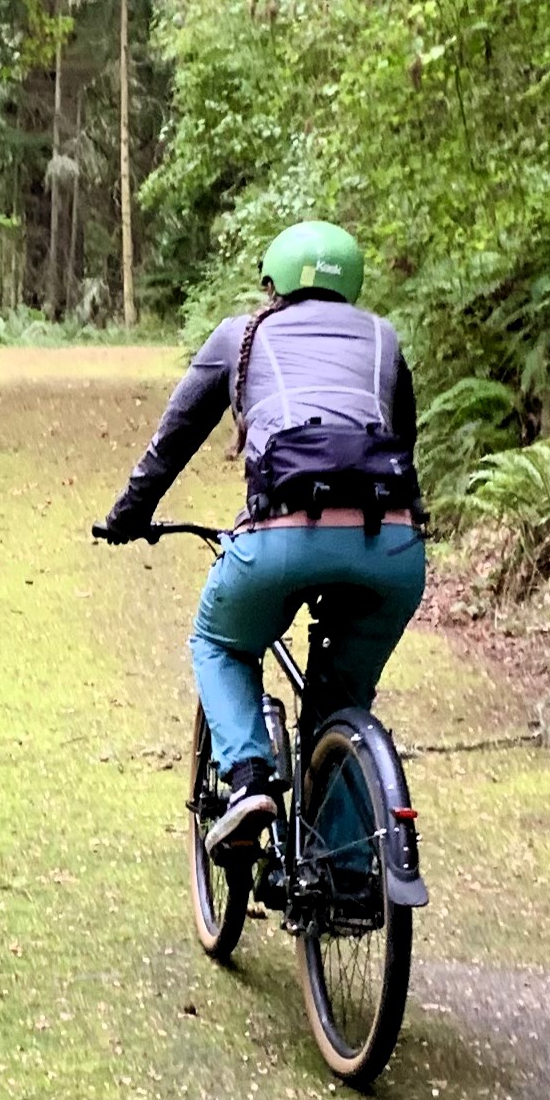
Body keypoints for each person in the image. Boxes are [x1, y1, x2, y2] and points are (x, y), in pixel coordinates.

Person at [93, 221, 426, 852]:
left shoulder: (241, 335)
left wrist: (129, 515)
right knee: (343, 699)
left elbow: (172, 442)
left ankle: (248, 782)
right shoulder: (384, 337)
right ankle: (350, 875)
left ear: (272, 282)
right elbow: (402, 446)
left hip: (281, 538)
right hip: (393, 550)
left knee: (218, 640)